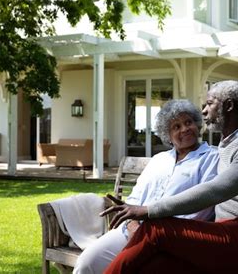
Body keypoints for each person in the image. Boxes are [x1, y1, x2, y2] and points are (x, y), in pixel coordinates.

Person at [102, 80, 238, 274]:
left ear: (229, 106)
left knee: (156, 228)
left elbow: (215, 191)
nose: (204, 111)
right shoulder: (228, 143)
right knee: (152, 266)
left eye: (210, 103)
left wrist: (148, 210)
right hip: (229, 235)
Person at [73, 99, 219, 274]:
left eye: (188, 122)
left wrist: (158, 232)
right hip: (132, 230)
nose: (185, 129)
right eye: (176, 127)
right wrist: (132, 224)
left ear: (197, 124)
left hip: (171, 239)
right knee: (87, 263)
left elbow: (201, 210)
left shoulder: (211, 158)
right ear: (168, 136)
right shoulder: (159, 160)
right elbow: (135, 198)